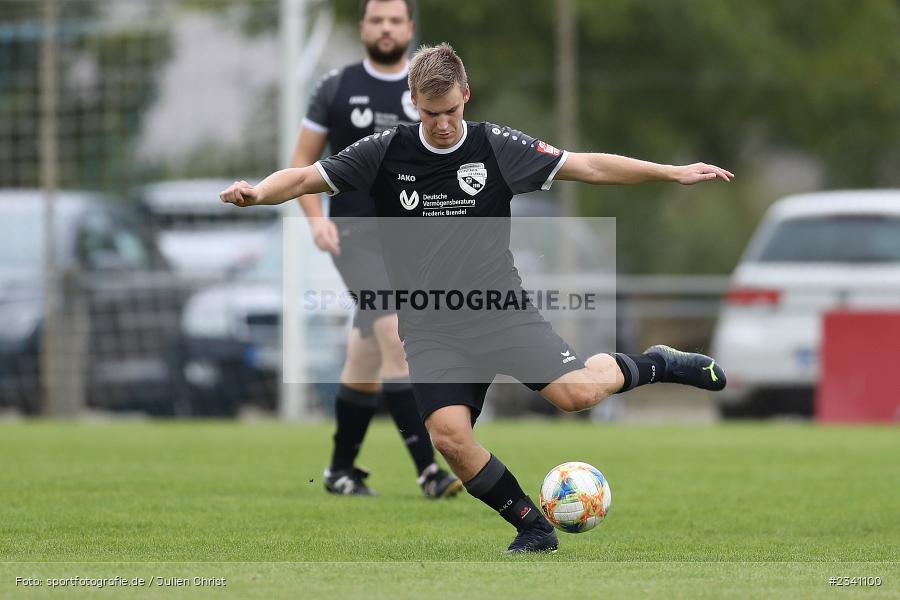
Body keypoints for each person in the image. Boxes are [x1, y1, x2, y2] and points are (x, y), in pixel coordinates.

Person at [222, 42, 733, 553]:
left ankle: (658, 364)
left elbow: (589, 167)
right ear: (413, 102)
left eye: (451, 111)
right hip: (430, 328)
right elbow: (306, 176)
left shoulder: (496, 148)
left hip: (500, 313)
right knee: (449, 438)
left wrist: (672, 172)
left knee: (576, 397)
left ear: (466, 95)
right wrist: (258, 193)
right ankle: (534, 528)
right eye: (430, 113)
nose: (442, 123)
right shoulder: (384, 152)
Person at [291, 0, 461, 499]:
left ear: (410, 28)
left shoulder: (431, 89)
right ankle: (429, 470)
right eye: (376, 20)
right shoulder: (336, 87)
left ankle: (340, 470)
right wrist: (316, 222)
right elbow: (303, 164)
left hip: (411, 243)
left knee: (366, 354)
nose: (385, 28)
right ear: (363, 27)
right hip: (356, 236)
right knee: (396, 336)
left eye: (394, 20)